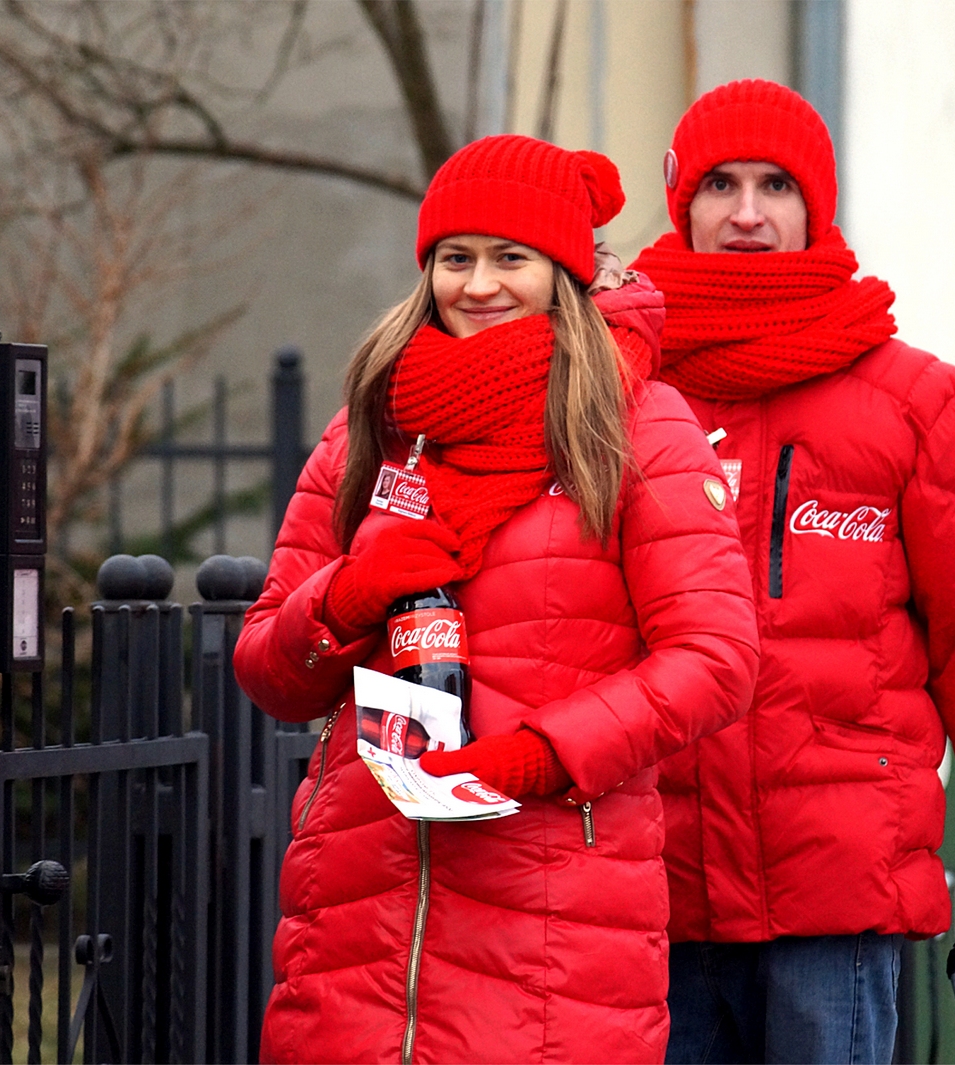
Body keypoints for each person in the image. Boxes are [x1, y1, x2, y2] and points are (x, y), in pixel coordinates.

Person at [233, 133, 760, 1064]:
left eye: (511, 258)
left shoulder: (636, 427)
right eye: (456, 258)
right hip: (359, 911)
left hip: (552, 916)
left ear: (563, 273)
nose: (479, 285)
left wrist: (542, 754)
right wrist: (345, 595)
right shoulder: (372, 425)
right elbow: (272, 669)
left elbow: (714, 660)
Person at [629, 80, 955, 1064]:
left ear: (815, 207)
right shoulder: (612, 397)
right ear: (682, 203)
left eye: (775, 186)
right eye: (720, 184)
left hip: (834, 903)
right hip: (651, 890)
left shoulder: (915, 407)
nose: (748, 212)